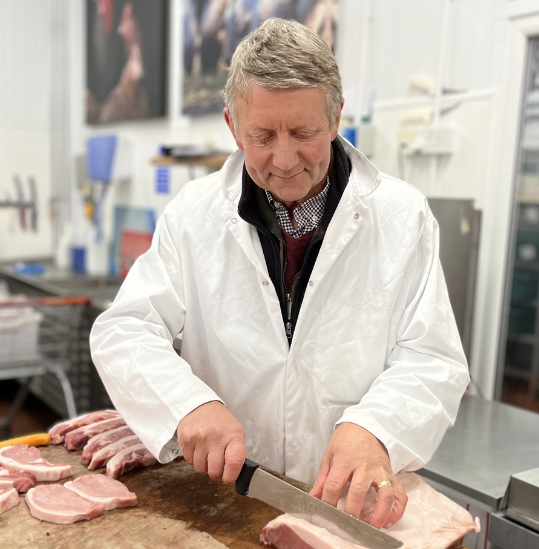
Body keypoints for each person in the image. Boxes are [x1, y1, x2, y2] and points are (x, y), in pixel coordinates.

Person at [91, 17, 469, 529]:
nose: (285, 158)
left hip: (343, 504)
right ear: (232, 126)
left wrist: (376, 428)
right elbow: (125, 328)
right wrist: (188, 405)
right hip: (222, 502)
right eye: (263, 135)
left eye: (305, 132)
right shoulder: (194, 214)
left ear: (335, 118)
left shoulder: (402, 215)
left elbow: (432, 359)